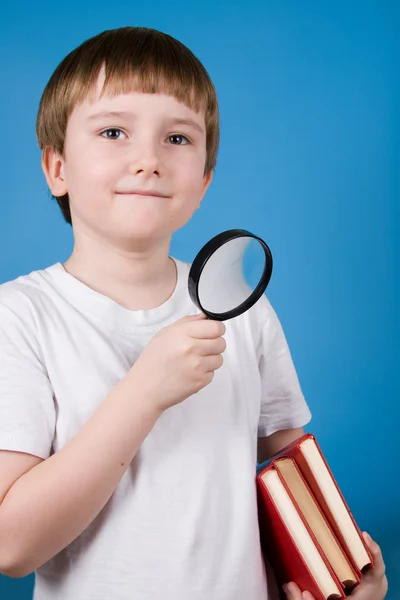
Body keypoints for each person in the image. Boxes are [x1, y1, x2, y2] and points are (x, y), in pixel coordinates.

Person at [0, 27, 387, 600]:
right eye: (113, 132)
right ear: (57, 168)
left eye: (178, 139)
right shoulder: (21, 316)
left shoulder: (242, 307)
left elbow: (289, 459)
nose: (149, 160)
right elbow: (12, 547)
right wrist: (144, 391)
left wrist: (340, 573)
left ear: (203, 181)